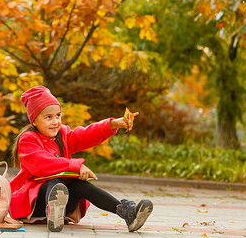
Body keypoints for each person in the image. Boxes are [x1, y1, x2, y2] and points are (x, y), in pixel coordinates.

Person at [9, 86, 153, 232]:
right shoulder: (28, 140)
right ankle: (53, 212)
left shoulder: (62, 134)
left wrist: (112, 124)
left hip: (64, 203)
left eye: (58, 115)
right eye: (48, 117)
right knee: (55, 182)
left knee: (79, 185)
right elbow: (42, 163)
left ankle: (127, 213)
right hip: (35, 205)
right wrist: (74, 165)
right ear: (34, 121)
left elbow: (85, 135)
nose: (55, 122)